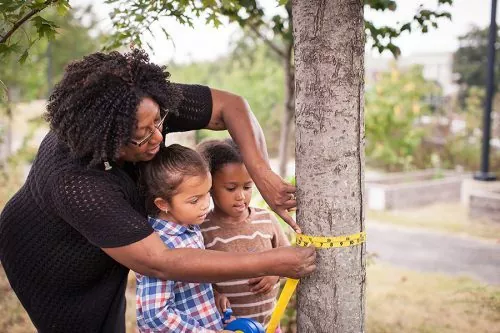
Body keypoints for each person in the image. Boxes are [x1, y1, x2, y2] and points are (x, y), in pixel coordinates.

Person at [0, 49, 315, 333]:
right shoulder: (78, 182)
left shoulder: (141, 102)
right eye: (141, 136)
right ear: (108, 139)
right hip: (51, 260)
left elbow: (231, 106)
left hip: (107, 227)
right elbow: (159, 262)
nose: (157, 137)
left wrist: (262, 176)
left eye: (159, 122)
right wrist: (271, 261)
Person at [197, 138, 289, 331]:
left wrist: (275, 274)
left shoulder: (266, 220)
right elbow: (196, 279)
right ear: (210, 187)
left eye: (247, 187)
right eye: (231, 188)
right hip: (229, 327)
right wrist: (213, 295)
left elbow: (288, 257)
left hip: (270, 326)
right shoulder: (203, 229)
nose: (241, 196)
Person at [136, 144, 223, 332]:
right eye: (194, 200)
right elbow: (156, 314)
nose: (205, 205)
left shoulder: (189, 226)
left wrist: (213, 295)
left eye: (207, 193)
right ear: (162, 203)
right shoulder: (160, 244)